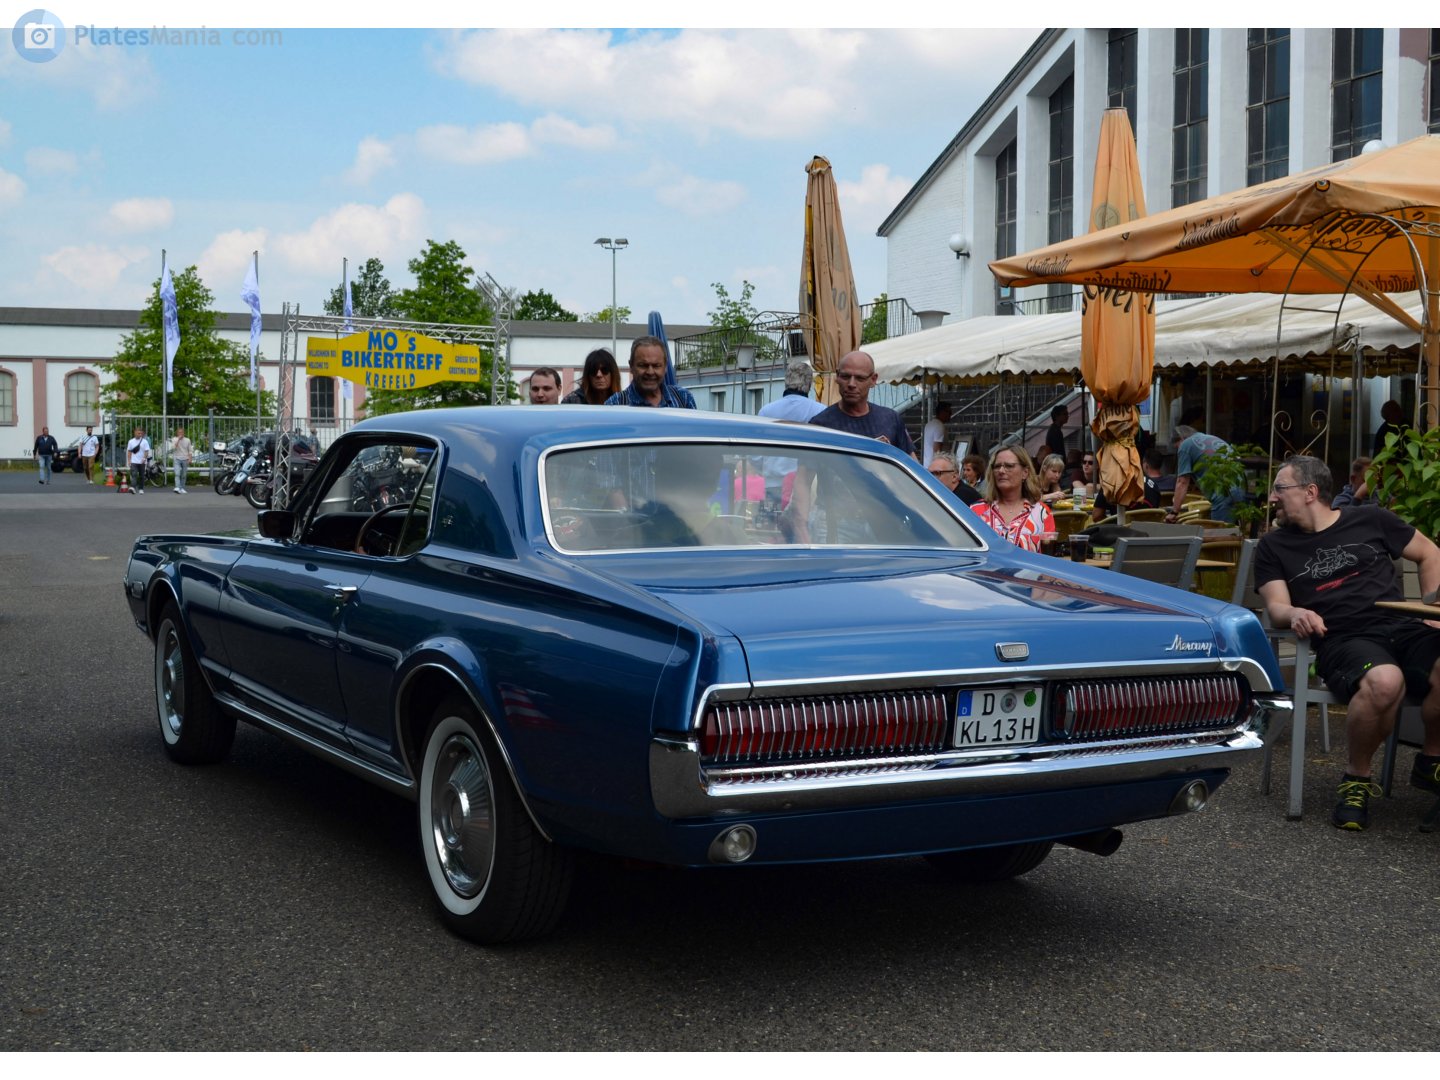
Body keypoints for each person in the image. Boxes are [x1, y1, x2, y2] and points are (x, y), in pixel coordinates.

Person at [1255, 454, 1440, 831]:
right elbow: (1276, 606)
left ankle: (1430, 761)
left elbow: (1430, 552)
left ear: (1310, 492)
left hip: (1401, 627)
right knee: (1385, 682)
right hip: (1343, 638)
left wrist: (1430, 609)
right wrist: (1295, 614)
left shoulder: (1372, 520)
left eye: (1280, 488)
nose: (1273, 497)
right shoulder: (1274, 546)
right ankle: (1356, 779)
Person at [808, 351, 915, 458]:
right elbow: (805, 472)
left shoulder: (891, 419)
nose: (851, 384)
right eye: (845, 376)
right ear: (837, 376)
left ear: (873, 380)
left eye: (860, 378)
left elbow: (912, 464)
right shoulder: (820, 425)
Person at [758, 359, 825, 506]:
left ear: (786, 381)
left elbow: (756, 456)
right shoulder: (820, 411)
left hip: (772, 484)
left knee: (770, 526)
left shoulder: (766, 411)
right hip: (807, 485)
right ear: (809, 383)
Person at [970, 445, 1055, 553]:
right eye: (997, 466)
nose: (1001, 470)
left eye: (1009, 466)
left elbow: (1050, 559)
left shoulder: (1042, 513)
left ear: (1025, 473)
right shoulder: (975, 510)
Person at [1166, 424, 1244, 523]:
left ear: (1181, 439)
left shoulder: (1185, 445)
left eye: (1177, 447)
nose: (1178, 451)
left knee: (1221, 535)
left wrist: (1174, 512)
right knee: (1236, 533)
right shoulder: (1209, 438)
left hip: (1223, 494)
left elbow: (1182, 482)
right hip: (1241, 490)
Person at [605, 337, 697, 409]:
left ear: (665, 367)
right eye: (643, 365)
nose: (650, 372)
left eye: (656, 365)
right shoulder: (615, 404)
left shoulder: (683, 398)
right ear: (631, 366)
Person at [922, 402, 952, 467]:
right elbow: (937, 450)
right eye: (949, 412)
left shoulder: (929, 424)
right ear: (942, 412)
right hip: (934, 467)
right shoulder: (939, 426)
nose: (950, 415)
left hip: (927, 464)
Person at [126, 426, 152, 494]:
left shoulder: (145, 441)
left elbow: (146, 451)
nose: (139, 435)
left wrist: (144, 458)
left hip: (142, 462)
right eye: (138, 433)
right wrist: (129, 460)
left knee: (142, 476)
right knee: (134, 474)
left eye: (140, 433)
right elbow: (129, 451)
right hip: (134, 461)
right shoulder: (131, 441)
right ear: (135, 433)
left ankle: (141, 488)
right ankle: (133, 487)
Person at [171, 426, 193, 494]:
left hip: (185, 458)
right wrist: (178, 440)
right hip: (177, 458)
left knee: (183, 475)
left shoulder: (187, 440)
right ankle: (177, 487)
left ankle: (182, 488)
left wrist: (190, 459)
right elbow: (173, 448)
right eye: (179, 432)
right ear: (177, 433)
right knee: (177, 473)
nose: (181, 433)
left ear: (184, 433)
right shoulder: (174, 439)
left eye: (182, 432)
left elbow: (190, 450)